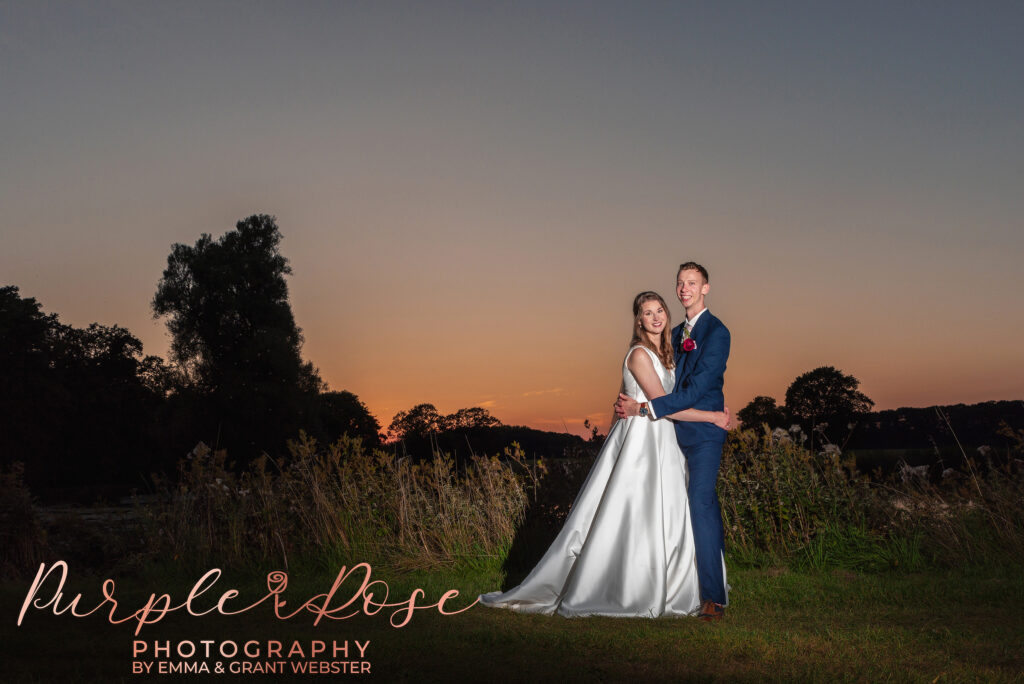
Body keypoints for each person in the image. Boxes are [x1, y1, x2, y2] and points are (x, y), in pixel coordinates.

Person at [478, 291, 730, 617]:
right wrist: (712, 417)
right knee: (635, 510)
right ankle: (626, 587)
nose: (655, 317)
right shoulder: (640, 355)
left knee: (663, 511)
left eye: (660, 310)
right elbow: (664, 407)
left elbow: (630, 399)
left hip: (662, 441)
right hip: (645, 442)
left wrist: (618, 424)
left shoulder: (667, 354)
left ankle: (671, 581)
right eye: (647, 312)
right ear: (638, 320)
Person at [615, 262, 730, 622]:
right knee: (668, 511)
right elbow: (654, 376)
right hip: (667, 436)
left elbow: (696, 389)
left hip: (703, 435)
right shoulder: (675, 332)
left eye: (692, 283)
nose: (685, 289)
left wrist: (645, 408)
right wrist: (630, 400)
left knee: (700, 503)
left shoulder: (717, 332)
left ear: (705, 288)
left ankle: (713, 596)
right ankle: (672, 583)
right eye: (680, 283)